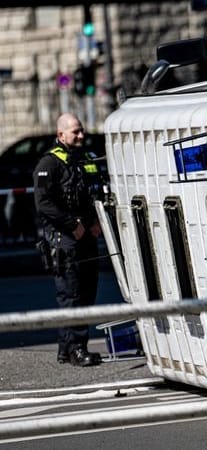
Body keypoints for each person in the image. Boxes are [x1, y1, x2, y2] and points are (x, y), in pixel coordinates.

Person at [33, 113, 104, 366]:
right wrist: (72, 224)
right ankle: (76, 349)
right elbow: (44, 204)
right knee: (71, 295)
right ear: (61, 134)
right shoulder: (49, 164)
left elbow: (98, 191)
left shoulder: (85, 159)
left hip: (87, 235)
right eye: (75, 132)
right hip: (65, 239)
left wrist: (97, 221)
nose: (81, 135)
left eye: (82, 130)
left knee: (87, 293)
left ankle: (66, 348)